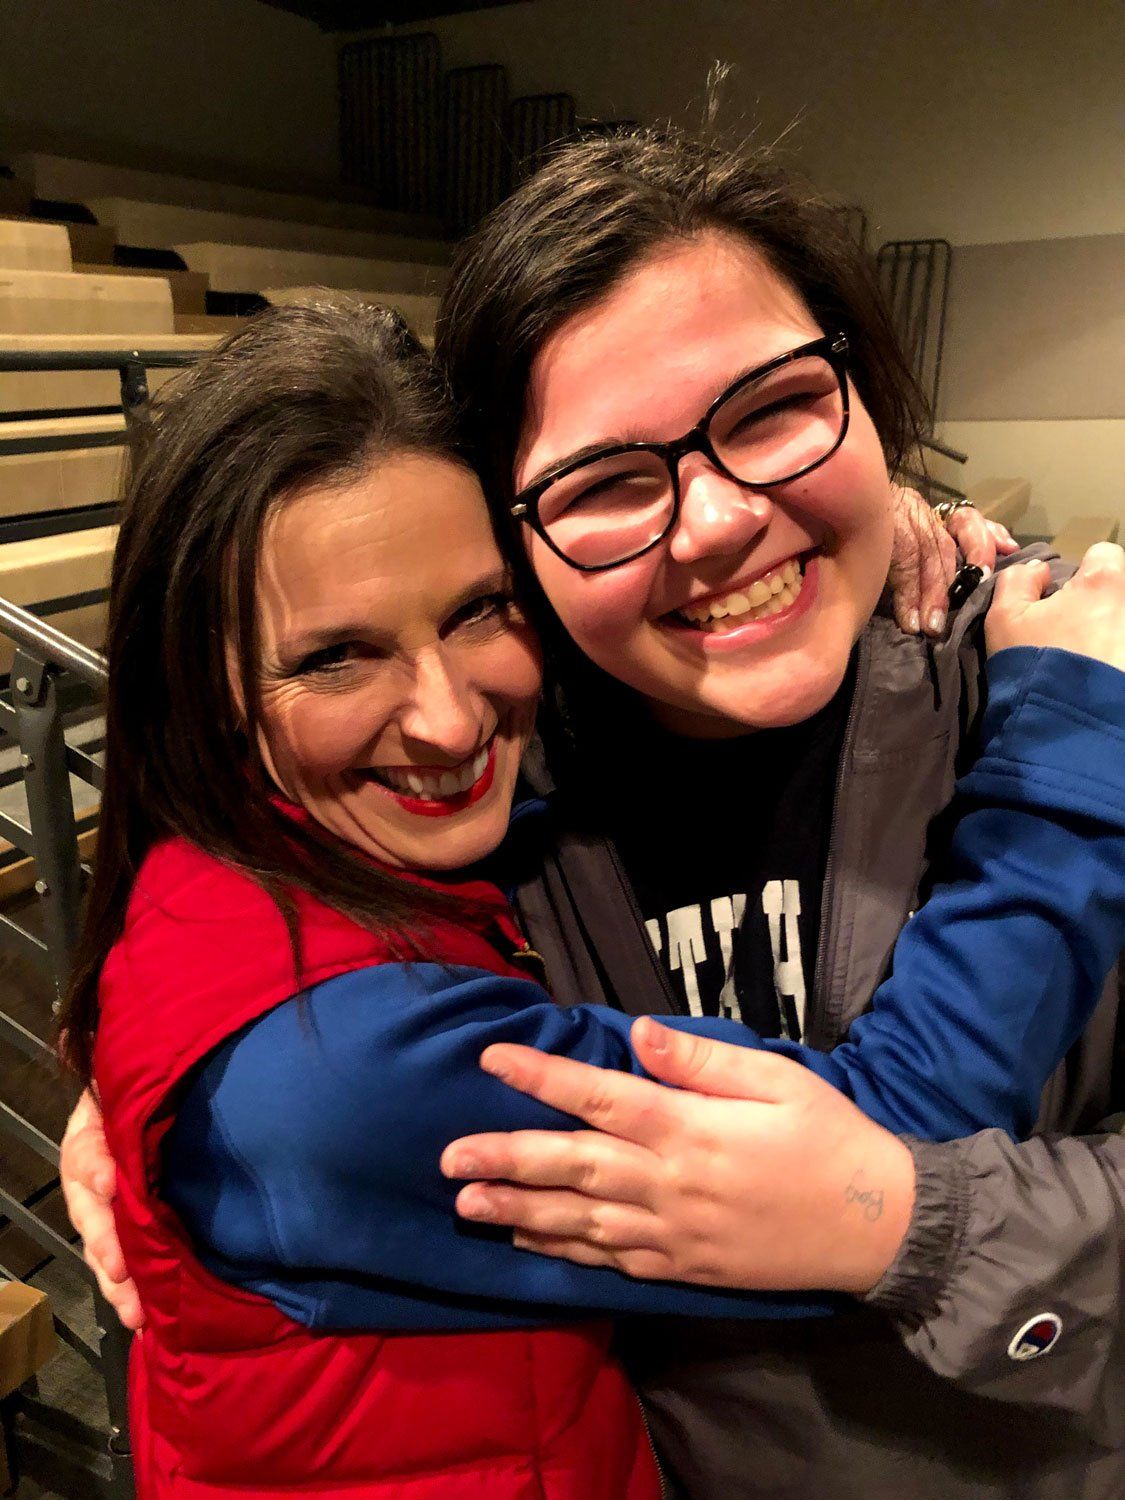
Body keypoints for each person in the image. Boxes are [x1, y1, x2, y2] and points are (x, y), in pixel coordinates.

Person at [62, 132, 1125, 1497]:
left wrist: (925, 1223)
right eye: (608, 480)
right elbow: (307, 1049)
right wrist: (155, 1086)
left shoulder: (1064, 683)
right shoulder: (473, 801)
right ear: (530, 529)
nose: (715, 521)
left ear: (865, 390)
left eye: (774, 410)